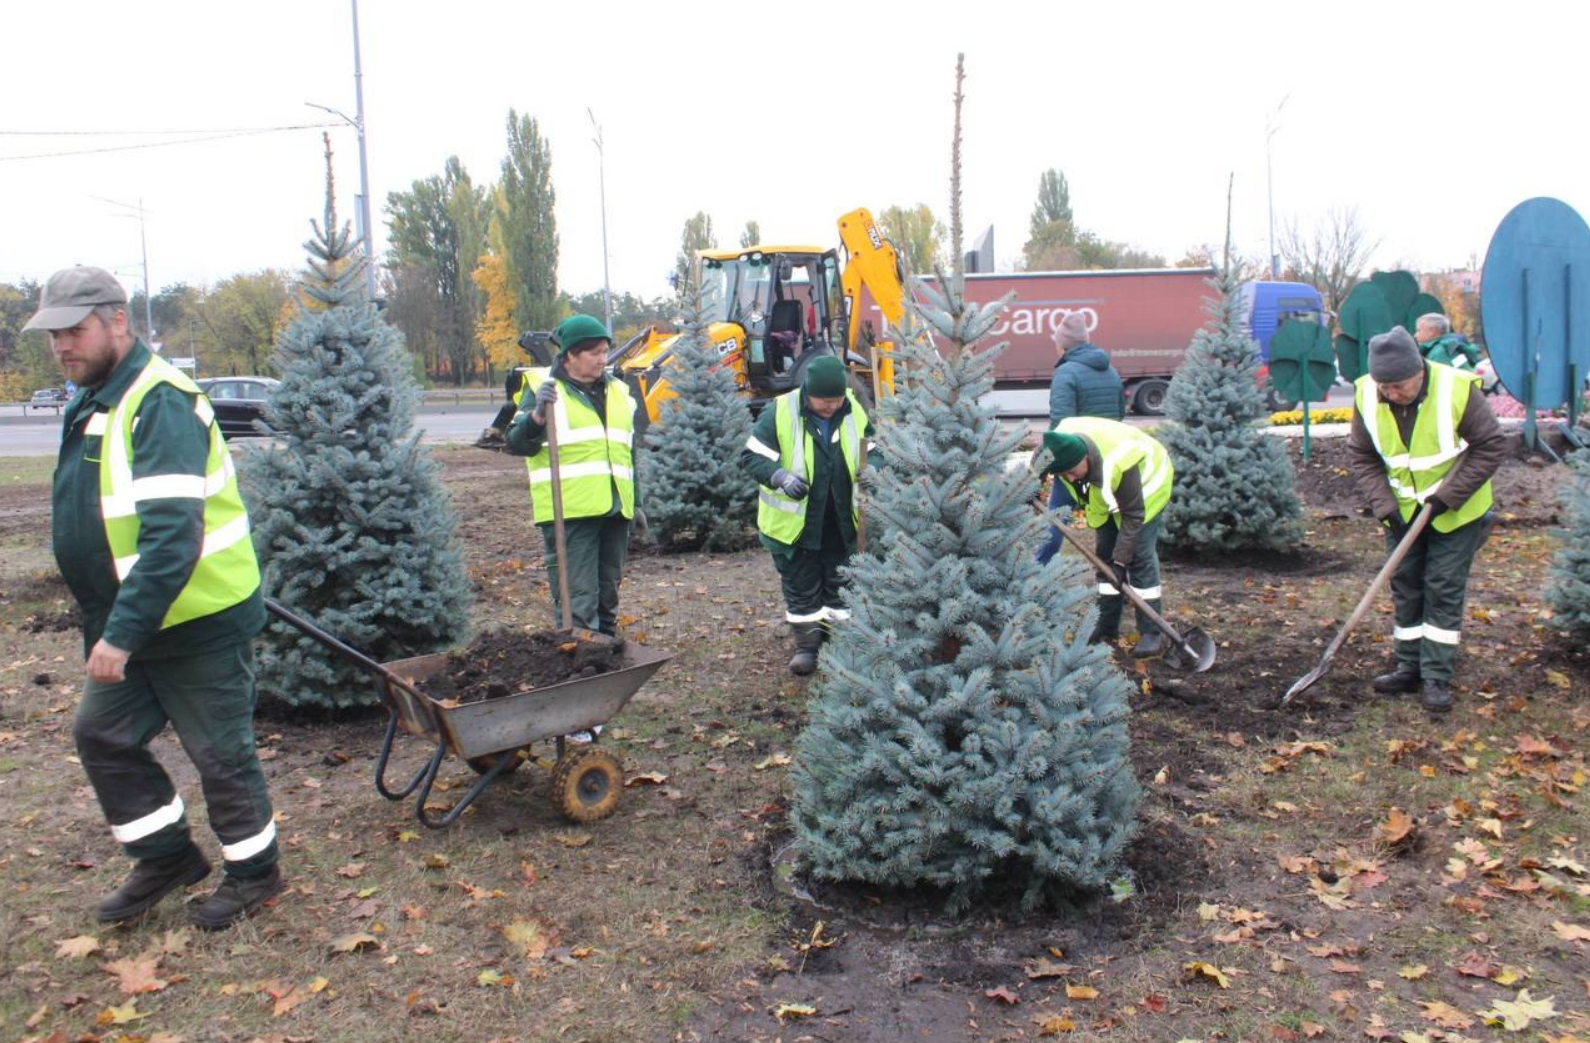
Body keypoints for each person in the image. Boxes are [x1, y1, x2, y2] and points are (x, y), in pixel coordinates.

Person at [28, 267, 280, 929]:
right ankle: (166, 855)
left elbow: (173, 537)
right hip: (134, 619)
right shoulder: (96, 397)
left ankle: (256, 872)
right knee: (101, 733)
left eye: (73, 329)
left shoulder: (158, 400)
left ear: (117, 320)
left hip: (195, 618)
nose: (61, 345)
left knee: (220, 755)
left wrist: (121, 634)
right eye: (54, 333)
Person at [1347, 326, 1507, 714]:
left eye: (1399, 386)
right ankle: (1408, 665)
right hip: (1401, 510)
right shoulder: (1367, 394)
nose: (1391, 394)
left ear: (1419, 371)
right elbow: (1363, 457)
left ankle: (1436, 674)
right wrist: (1384, 506)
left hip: (1457, 510)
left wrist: (1447, 497)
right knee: (1405, 585)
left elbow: (1490, 445)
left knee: (1442, 586)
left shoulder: (1456, 389)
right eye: (1385, 386)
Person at [505, 314, 637, 636]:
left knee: (608, 593)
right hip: (570, 512)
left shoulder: (619, 390)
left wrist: (638, 504)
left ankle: (605, 657)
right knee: (577, 600)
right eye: (593, 353)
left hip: (615, 508)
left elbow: (628, 453)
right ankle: (580, 663)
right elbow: (515, 443)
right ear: (569, 356)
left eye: (605, 351)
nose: (602, 359)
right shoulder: (542, 388)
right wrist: (536, 416)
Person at [741, 355, 873, 675]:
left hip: (843, 521)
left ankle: (840, 644)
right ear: (807, 392)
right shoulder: (780, 411)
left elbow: (876, 449)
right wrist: (780, 477)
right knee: (801, 585)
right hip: (796, 525)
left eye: (836, 400)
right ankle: (807, 647)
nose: (830, 407)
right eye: (823, 401)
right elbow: (753, 457)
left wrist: (874, 471)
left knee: (841, 582)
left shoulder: (855, 409)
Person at [1038, 417, 1173, 656]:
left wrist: (1121, 562)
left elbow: (1133, 516)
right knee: (1105, 555)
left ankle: (1151, 632)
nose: (1069, 478)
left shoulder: (1119, 462)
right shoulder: (1057, 446)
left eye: (1072, 471)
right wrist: (1033, 487)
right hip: (1105, 492)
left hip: (1147, 487)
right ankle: (1107, 626)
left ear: (1085, 458)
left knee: (1138, 556)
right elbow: (1036, 464)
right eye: (1062, 474)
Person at [1036, 311, 1126, 565]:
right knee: (1109, 523)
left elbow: (1060, 429)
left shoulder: (1066, 373)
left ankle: (1034, 572)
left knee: (1056, 519)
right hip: (1108, 462)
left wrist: (1040, 473)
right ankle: (1116, 578)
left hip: (1077, 463)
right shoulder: (1111, 371)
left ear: (1062, 344)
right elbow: (1120, 417)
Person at [1414, 313, 1481, 372]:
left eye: (1418, 330)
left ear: (1432, 331)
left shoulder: (1440, 352)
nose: (1415, 335)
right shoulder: (1453, 346)